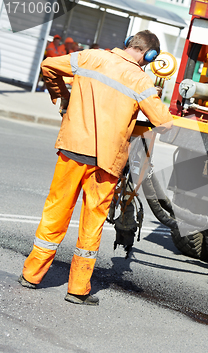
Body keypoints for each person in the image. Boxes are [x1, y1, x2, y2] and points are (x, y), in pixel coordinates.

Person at [18, 30, 173, 305]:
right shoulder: (140, 78)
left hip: (72, 148)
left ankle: (32, 274)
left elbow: (48, 66)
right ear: (149, 56)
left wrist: (62, 96)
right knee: (92, 223)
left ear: (129, 44)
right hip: (105, 161)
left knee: (55, 210)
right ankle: (77, 289)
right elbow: (164, 123)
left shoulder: (89, 57)